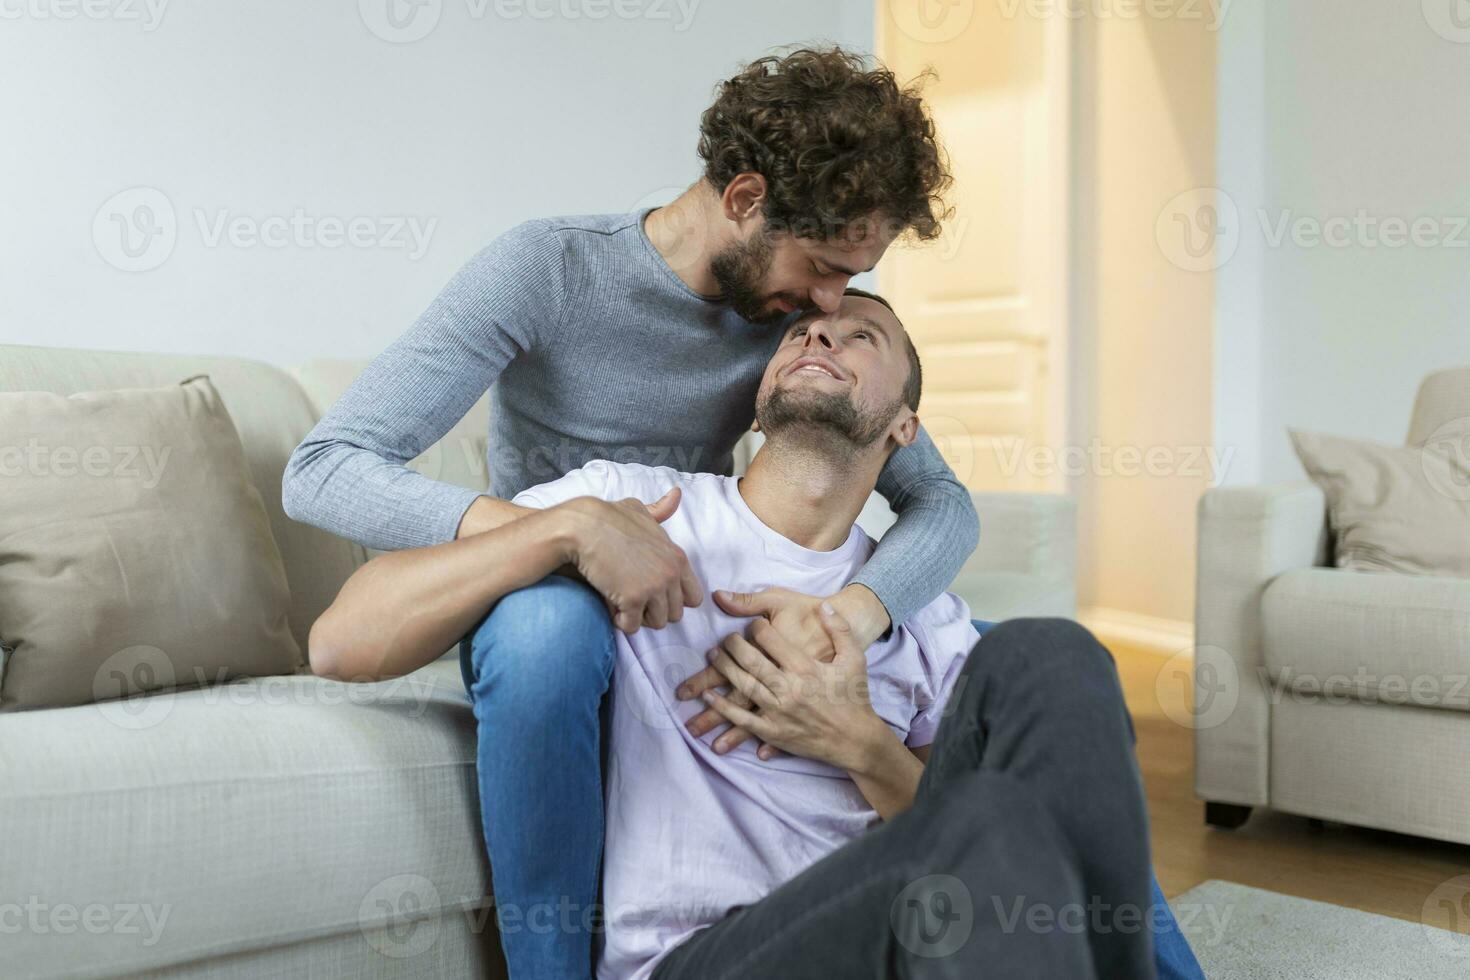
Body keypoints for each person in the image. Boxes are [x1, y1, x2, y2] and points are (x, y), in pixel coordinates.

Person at [308, 290, 1195, 979]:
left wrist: (858, 743)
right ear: (760, 396)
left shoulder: (907, 602)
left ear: (903, 430)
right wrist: (561, 531)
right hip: (709, 960)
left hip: (901, 943)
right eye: (802, 334)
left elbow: (1028, 843)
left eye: (860, 337)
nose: (819, 337)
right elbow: (342, 640)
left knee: (1057, 653)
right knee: (989, 816)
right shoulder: (634, 505)